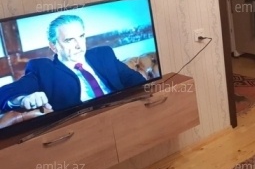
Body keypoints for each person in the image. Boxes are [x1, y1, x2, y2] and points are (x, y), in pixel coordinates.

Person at [0, 15, 146, 113]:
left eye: (81, 36)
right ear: (53, 46)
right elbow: (3, 94)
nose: (79, 45)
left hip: (122, 112)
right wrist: (22, 99)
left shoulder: (103, 54)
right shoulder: (43, 70)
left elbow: (137, 82)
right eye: (69, 40)